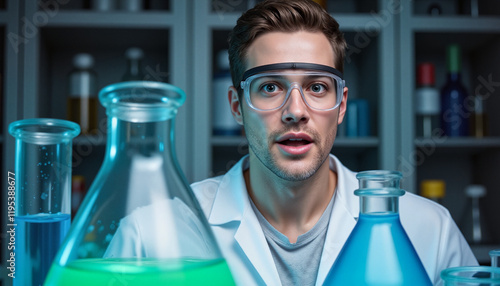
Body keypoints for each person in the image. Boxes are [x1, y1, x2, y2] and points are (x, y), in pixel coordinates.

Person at [191, 0, 478, 285]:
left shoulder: (430, 230)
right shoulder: (174, 226)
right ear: (236, 107)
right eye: (269, 87)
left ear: (341, 105)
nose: (296, 112)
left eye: (316, 87)